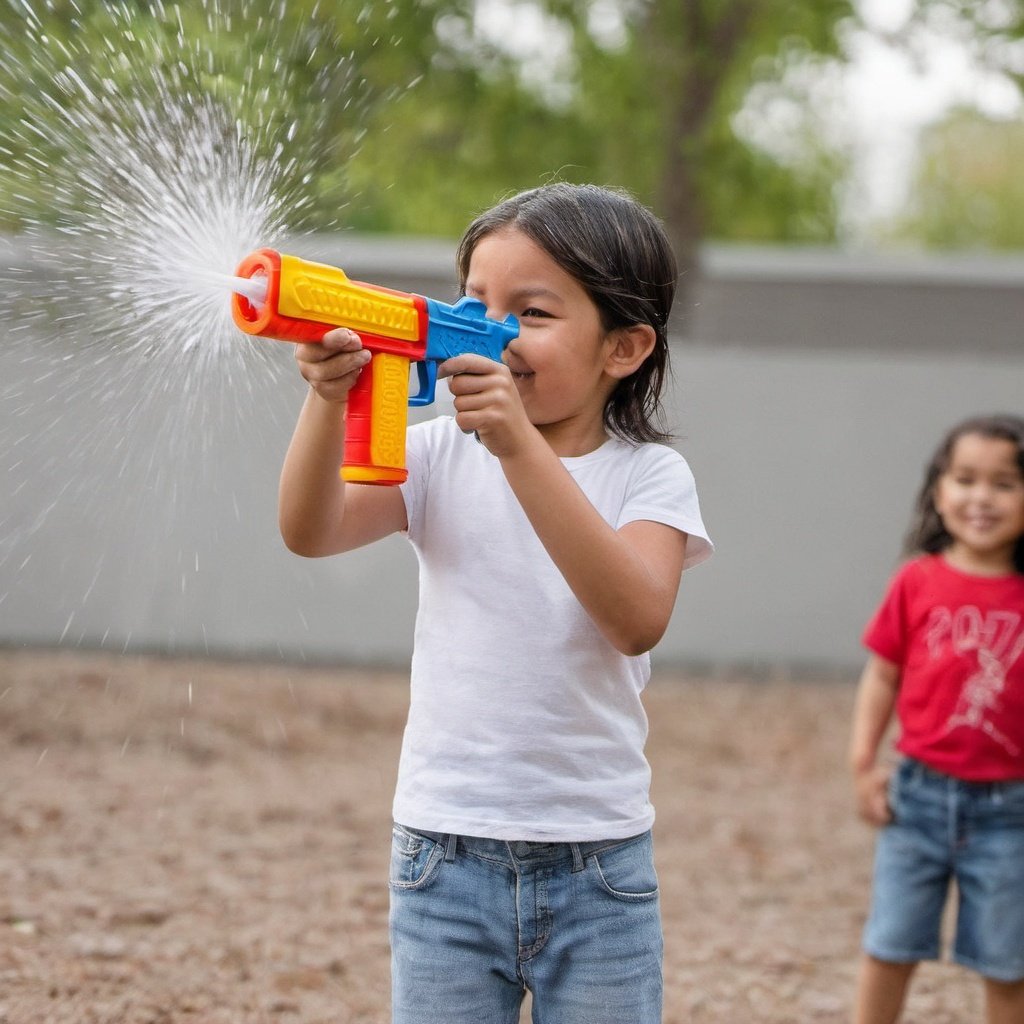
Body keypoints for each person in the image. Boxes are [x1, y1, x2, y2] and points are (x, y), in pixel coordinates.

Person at [277, 182, 712, 1023]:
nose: (492, 329)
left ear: (623, 348)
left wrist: (515, 443)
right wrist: (327, 399)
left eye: (533, 313)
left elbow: (634, 618)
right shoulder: (440, 452)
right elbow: (312, 528)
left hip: (600, 862)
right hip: (442, 852)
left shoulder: (649, 474)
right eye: (475, 300)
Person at [849, 414, 1024, 1024]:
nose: (982, 497)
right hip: (916, 800)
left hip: (1013, 814)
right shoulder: (916, 582)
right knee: (889, 946)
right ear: (939, 490)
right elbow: (882, 675)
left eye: (1005, 483)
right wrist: (864, 764)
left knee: (1009, 963)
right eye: (966, 478)